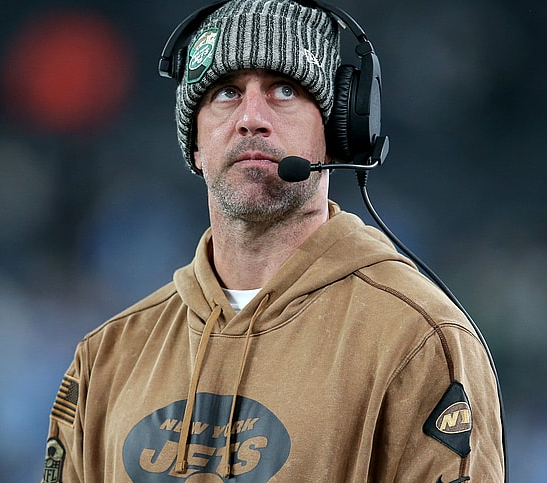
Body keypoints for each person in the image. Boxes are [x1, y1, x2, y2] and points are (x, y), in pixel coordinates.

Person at [42, 0, 506, 481]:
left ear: (336, 132)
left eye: (284, 90)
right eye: (225, 93)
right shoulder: (106, 357)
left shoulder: (417, 338)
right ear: (195, 145)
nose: (251, 118)